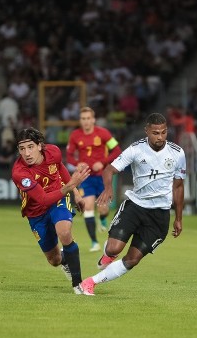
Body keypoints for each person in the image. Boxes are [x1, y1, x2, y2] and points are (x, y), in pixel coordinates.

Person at [79, 113, 186, 296]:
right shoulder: (136, 150)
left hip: (159, 215)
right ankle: (107, 255)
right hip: (135, 206)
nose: (160, 137)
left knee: (132, 259)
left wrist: (178, 218)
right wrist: (108, 189)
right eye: (155, 133)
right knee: (114, 248)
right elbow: (109, 170)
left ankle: (90, 282)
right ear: (147, 131)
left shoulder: (177, 153)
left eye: (163, 132)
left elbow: (178, 186)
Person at [10, 127, 91, 294]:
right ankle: (65, 259)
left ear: (40, 146)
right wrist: (71, 186)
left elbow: (60, 167)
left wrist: (75, 193)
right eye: (22, 148)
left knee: (64, 232)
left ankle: (78, 285)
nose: (26, 153)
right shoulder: (19, 173)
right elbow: (43, 199)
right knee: (54, 260)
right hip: (36, 213)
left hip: (58, 200)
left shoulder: (53, 151)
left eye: (30, 146)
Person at [65, 106, 122, 252]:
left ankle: (103, 218)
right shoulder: (75, 135)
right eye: (83, 119)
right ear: (80, 120)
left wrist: (102, 162)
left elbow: (116, 150)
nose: (86, 121)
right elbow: (70, 156)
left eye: (88, 118)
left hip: (103, 176)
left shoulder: (103, 133)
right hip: (86, 177)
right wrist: (77, 163)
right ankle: (94, 242)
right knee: (88, 206)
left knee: (103, 209)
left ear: (93, 119)